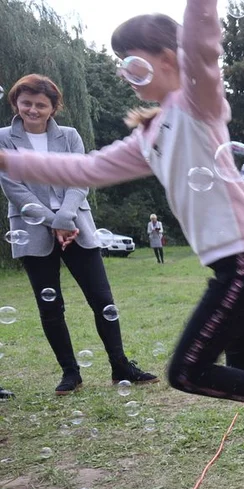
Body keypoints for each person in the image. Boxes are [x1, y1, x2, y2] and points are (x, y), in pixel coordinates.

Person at [0, 2, 244, 486]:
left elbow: (203, 42)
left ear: (170, 58)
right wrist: (7, 161)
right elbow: (85, 169)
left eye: (133, 63)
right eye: (121, 66)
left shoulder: (197, 101)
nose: (126, 75)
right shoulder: (149, 133)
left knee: (186, 371)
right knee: (243, 365)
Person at [0, 74, 156, 395]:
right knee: (51, 307)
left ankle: (120, 365)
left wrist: (66, 217)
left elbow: (81, 177)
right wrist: (53, 221)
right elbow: (13, 187)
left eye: (41, 104)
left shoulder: (70, 136)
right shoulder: (4, 138)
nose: (32, 109)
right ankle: (70, 372)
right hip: (32, 230)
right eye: (26, 103)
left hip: (76, 227)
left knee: (102, 299)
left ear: (53, 108)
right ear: (16, 103)